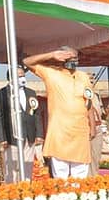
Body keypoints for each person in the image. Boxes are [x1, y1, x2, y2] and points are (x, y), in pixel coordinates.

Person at [23, 47, 92, 179]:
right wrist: (51, 54)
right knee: (61, 178)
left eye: (76, 58)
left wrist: (92, 127)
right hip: (60, 133)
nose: (74, 61)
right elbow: (27, 62)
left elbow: (88, 102)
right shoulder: (51, 73)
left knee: (81, 180)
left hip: (80, 133)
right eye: (69, 57)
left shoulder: (83, 77)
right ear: (62, 59)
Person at [0, 66, 44, 182]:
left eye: (23, 75)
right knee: (12, 171)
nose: (22, 78)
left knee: (27, 170)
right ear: (11, 78)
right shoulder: (0, 94)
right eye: (19, 76)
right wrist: (1, 139)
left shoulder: (31, 93)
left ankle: (25, 195)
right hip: (11, 139)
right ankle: (12, 195)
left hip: (29, 139)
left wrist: (39, 134)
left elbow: (36, 115)